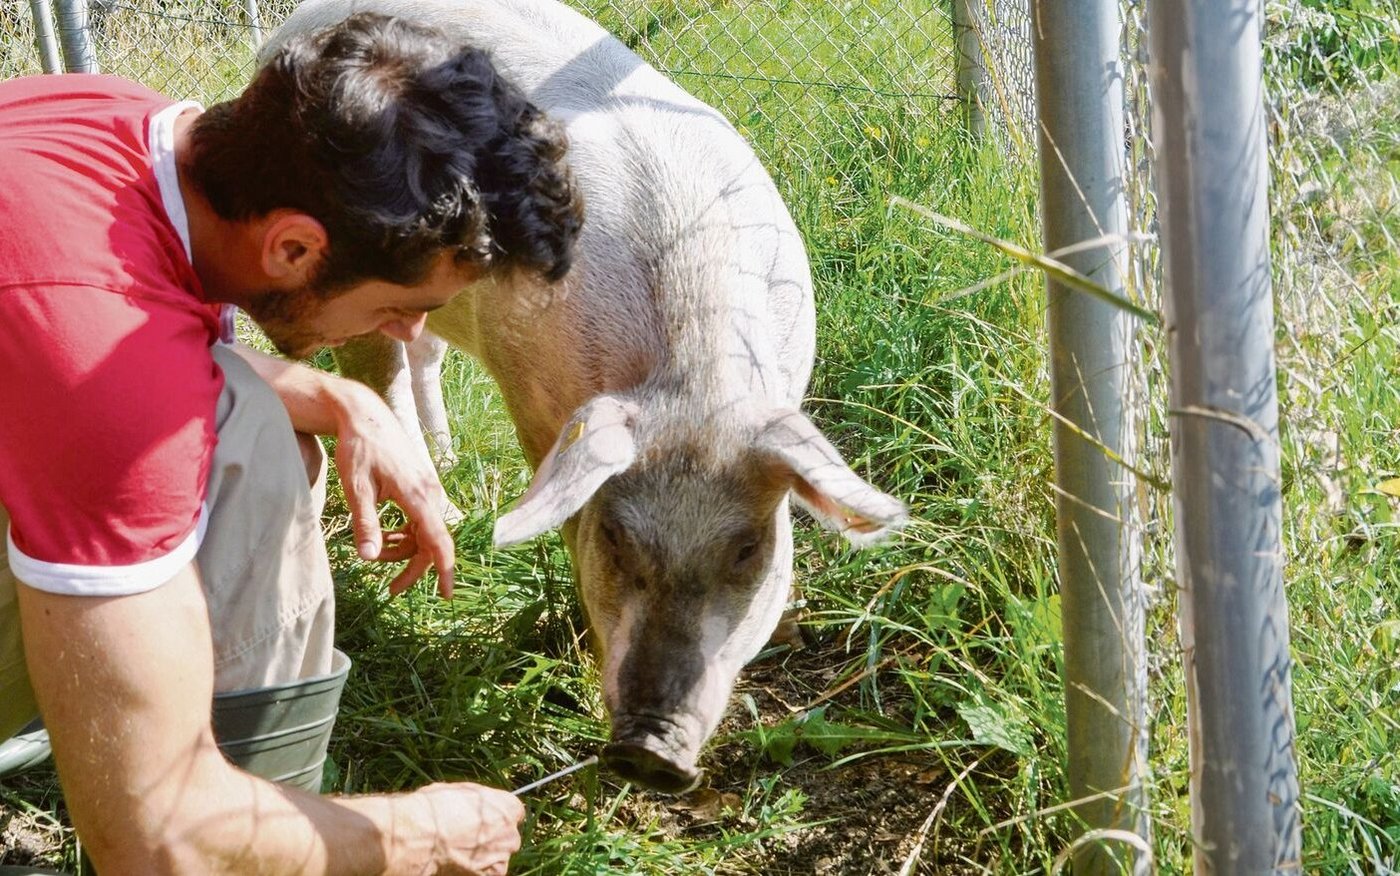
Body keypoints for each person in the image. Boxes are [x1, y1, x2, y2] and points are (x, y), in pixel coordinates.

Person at [0, 11, 581, 875]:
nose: (412, 337)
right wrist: (416, 838)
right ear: (295, 245)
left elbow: (62, 344)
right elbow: (154, 839)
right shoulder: (99, 359)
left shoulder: (102, 120)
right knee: (248, 439)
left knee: (251, 408)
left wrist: (340, 393)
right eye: (405, 307)